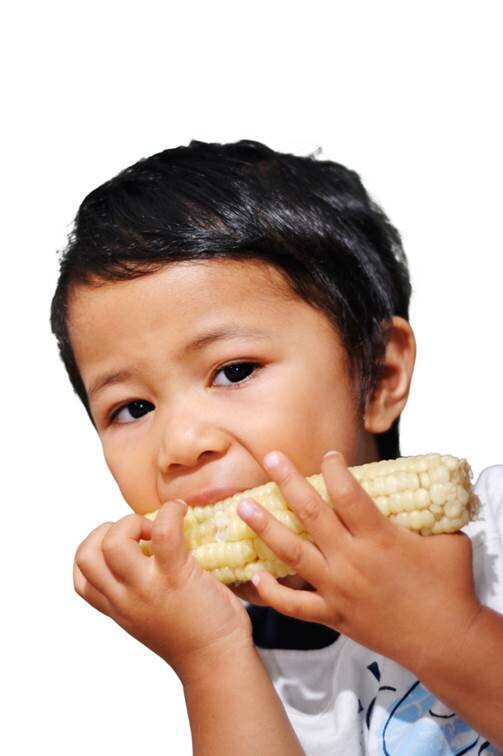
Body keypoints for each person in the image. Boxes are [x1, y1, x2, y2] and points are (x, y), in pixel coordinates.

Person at [50, 140, 503, 755]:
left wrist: (445, 633)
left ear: (379, 377)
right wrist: (211, 658)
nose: (181, 445)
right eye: (132, 409)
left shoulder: (497, 539)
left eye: (234, 371)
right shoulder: (223, 646)